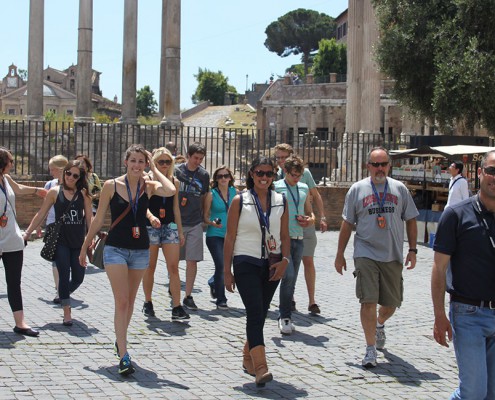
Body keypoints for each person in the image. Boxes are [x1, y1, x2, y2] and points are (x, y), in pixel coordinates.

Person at [78, 144, 176, 376]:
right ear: (126, 162)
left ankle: (119, 340)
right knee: (121, 301)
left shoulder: (149, 186)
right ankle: (123, 353)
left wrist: (154, 166)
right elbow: (98, 217)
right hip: (115, 249)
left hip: (141, 249)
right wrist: (84, 247)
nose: (136, 165)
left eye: (141, 161)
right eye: (133, 160)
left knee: (131, 303)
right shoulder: (112, 185)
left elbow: (171, 189)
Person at [334, 146, 419, 368]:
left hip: (392, 254)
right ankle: (370, 349)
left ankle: (380, 323)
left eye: (383, 164)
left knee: (391, 304)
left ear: (389, 165)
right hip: (365, 252)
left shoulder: (400, 189)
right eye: (375, 164)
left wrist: (412, 250)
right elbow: (347, 223)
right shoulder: (357, 189)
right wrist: (340, 254)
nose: (379, 169)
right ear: (368, 166)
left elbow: (410, 219)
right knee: (368, 300)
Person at [431, 149, 495, 400]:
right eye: (491, 171)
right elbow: (439, 268)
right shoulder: (456, 215)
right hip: (468, 314)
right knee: (473, 392)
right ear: (480, 173)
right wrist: (438, 315)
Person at [224, 156, 290, 387]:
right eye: (259, 173)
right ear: (252, 174)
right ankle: (261, 368)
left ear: (274, 176)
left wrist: (285, 261)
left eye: (269, 174)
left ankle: (247, 356)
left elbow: (284, 236)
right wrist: (226, 271)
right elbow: (230, 237)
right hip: (245, 262)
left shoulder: (281, 200)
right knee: (254, 311)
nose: (264, 177)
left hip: (272, 263)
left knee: (261, 312)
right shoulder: (240, 201)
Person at [24, 160, 93, 326]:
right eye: (68, 173)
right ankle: (67, 311)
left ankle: (63, 295)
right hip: (60, 240)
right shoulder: (54, 192)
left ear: (80, 177)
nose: (70, 177)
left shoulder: (83, 194)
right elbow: (41, 213)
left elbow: (90, 219)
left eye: (75, 175)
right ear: (65, 172)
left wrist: (90, 239)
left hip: (77, 241)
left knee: (78, 277)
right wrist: (27, 233)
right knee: (63, 273)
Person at [274, 143, 327, 314]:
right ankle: (289, 300)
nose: (281, 161)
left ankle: (312, 301)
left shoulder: (305, 174)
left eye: (284, 157)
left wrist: (319, 217)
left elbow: (315, 195)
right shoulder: (276, 178)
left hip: (305, 225)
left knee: (307, 260)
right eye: (278, 158)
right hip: (285, 229)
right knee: (288, 267)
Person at [0, 147, 46, 337]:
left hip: (11, 238)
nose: (12, 164)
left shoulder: (6, 178)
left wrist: (37, 190)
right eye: (10, 161)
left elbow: (18, 189)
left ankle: (21, 323)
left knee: (14, 282)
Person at [142, 147, 189, 321]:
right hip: (151, 226)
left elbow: (175, 208)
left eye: (167, 162)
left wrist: (180, 230)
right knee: (150, 266)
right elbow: (143, 204)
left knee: (174, 267)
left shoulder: (174, 181)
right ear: (154, 162)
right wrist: (151, 216)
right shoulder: (147, 180)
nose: (164, 165)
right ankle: (148, 301)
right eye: (160, 161)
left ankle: (177, 306)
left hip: (169, 225)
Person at [274, 156, 314, 335]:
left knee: (292, 278)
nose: (296, 178)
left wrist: (310, 219)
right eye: (293, 175)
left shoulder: (304, 187)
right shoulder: (276, 187)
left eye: (299, 175)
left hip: (299, 236)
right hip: (283, 238)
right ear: (286, 172)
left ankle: (285, 313)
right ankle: (285, 316)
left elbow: (308, 210)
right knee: (288, 276)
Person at [174, 142, 210, 311]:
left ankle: (188, 295)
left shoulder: (203, 174)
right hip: (176, 221)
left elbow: (204, 196)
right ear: (188, 156)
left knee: (192, 261)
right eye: (195, 158)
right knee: (174, 261)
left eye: (201, 159)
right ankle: (174, 290)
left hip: (195, 221)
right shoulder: (177, 170)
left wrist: (204, 216)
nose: (198, 161)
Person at [204, 165, 237, 310]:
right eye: (220, 176)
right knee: (221, 265)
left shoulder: (235, 193)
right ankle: (221, 299)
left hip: (231, 235)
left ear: (230, 178)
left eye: (225, 176)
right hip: (214, 235)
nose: (223, 178)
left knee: (226, 265)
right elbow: (205, 217)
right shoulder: (211, 194)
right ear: (216, 179)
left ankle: (213, 282)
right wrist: (211, 222)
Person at [41, 155, 69, 304]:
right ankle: (59, 290)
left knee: (67, 259)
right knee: (56, 259)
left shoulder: (74, 184)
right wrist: (41, 225)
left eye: (52, 169)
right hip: (53, 225)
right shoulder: (49, 185)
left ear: (60, 170)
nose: (51, 172)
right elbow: (44, 208)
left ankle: (63, 287)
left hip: (70, 226)